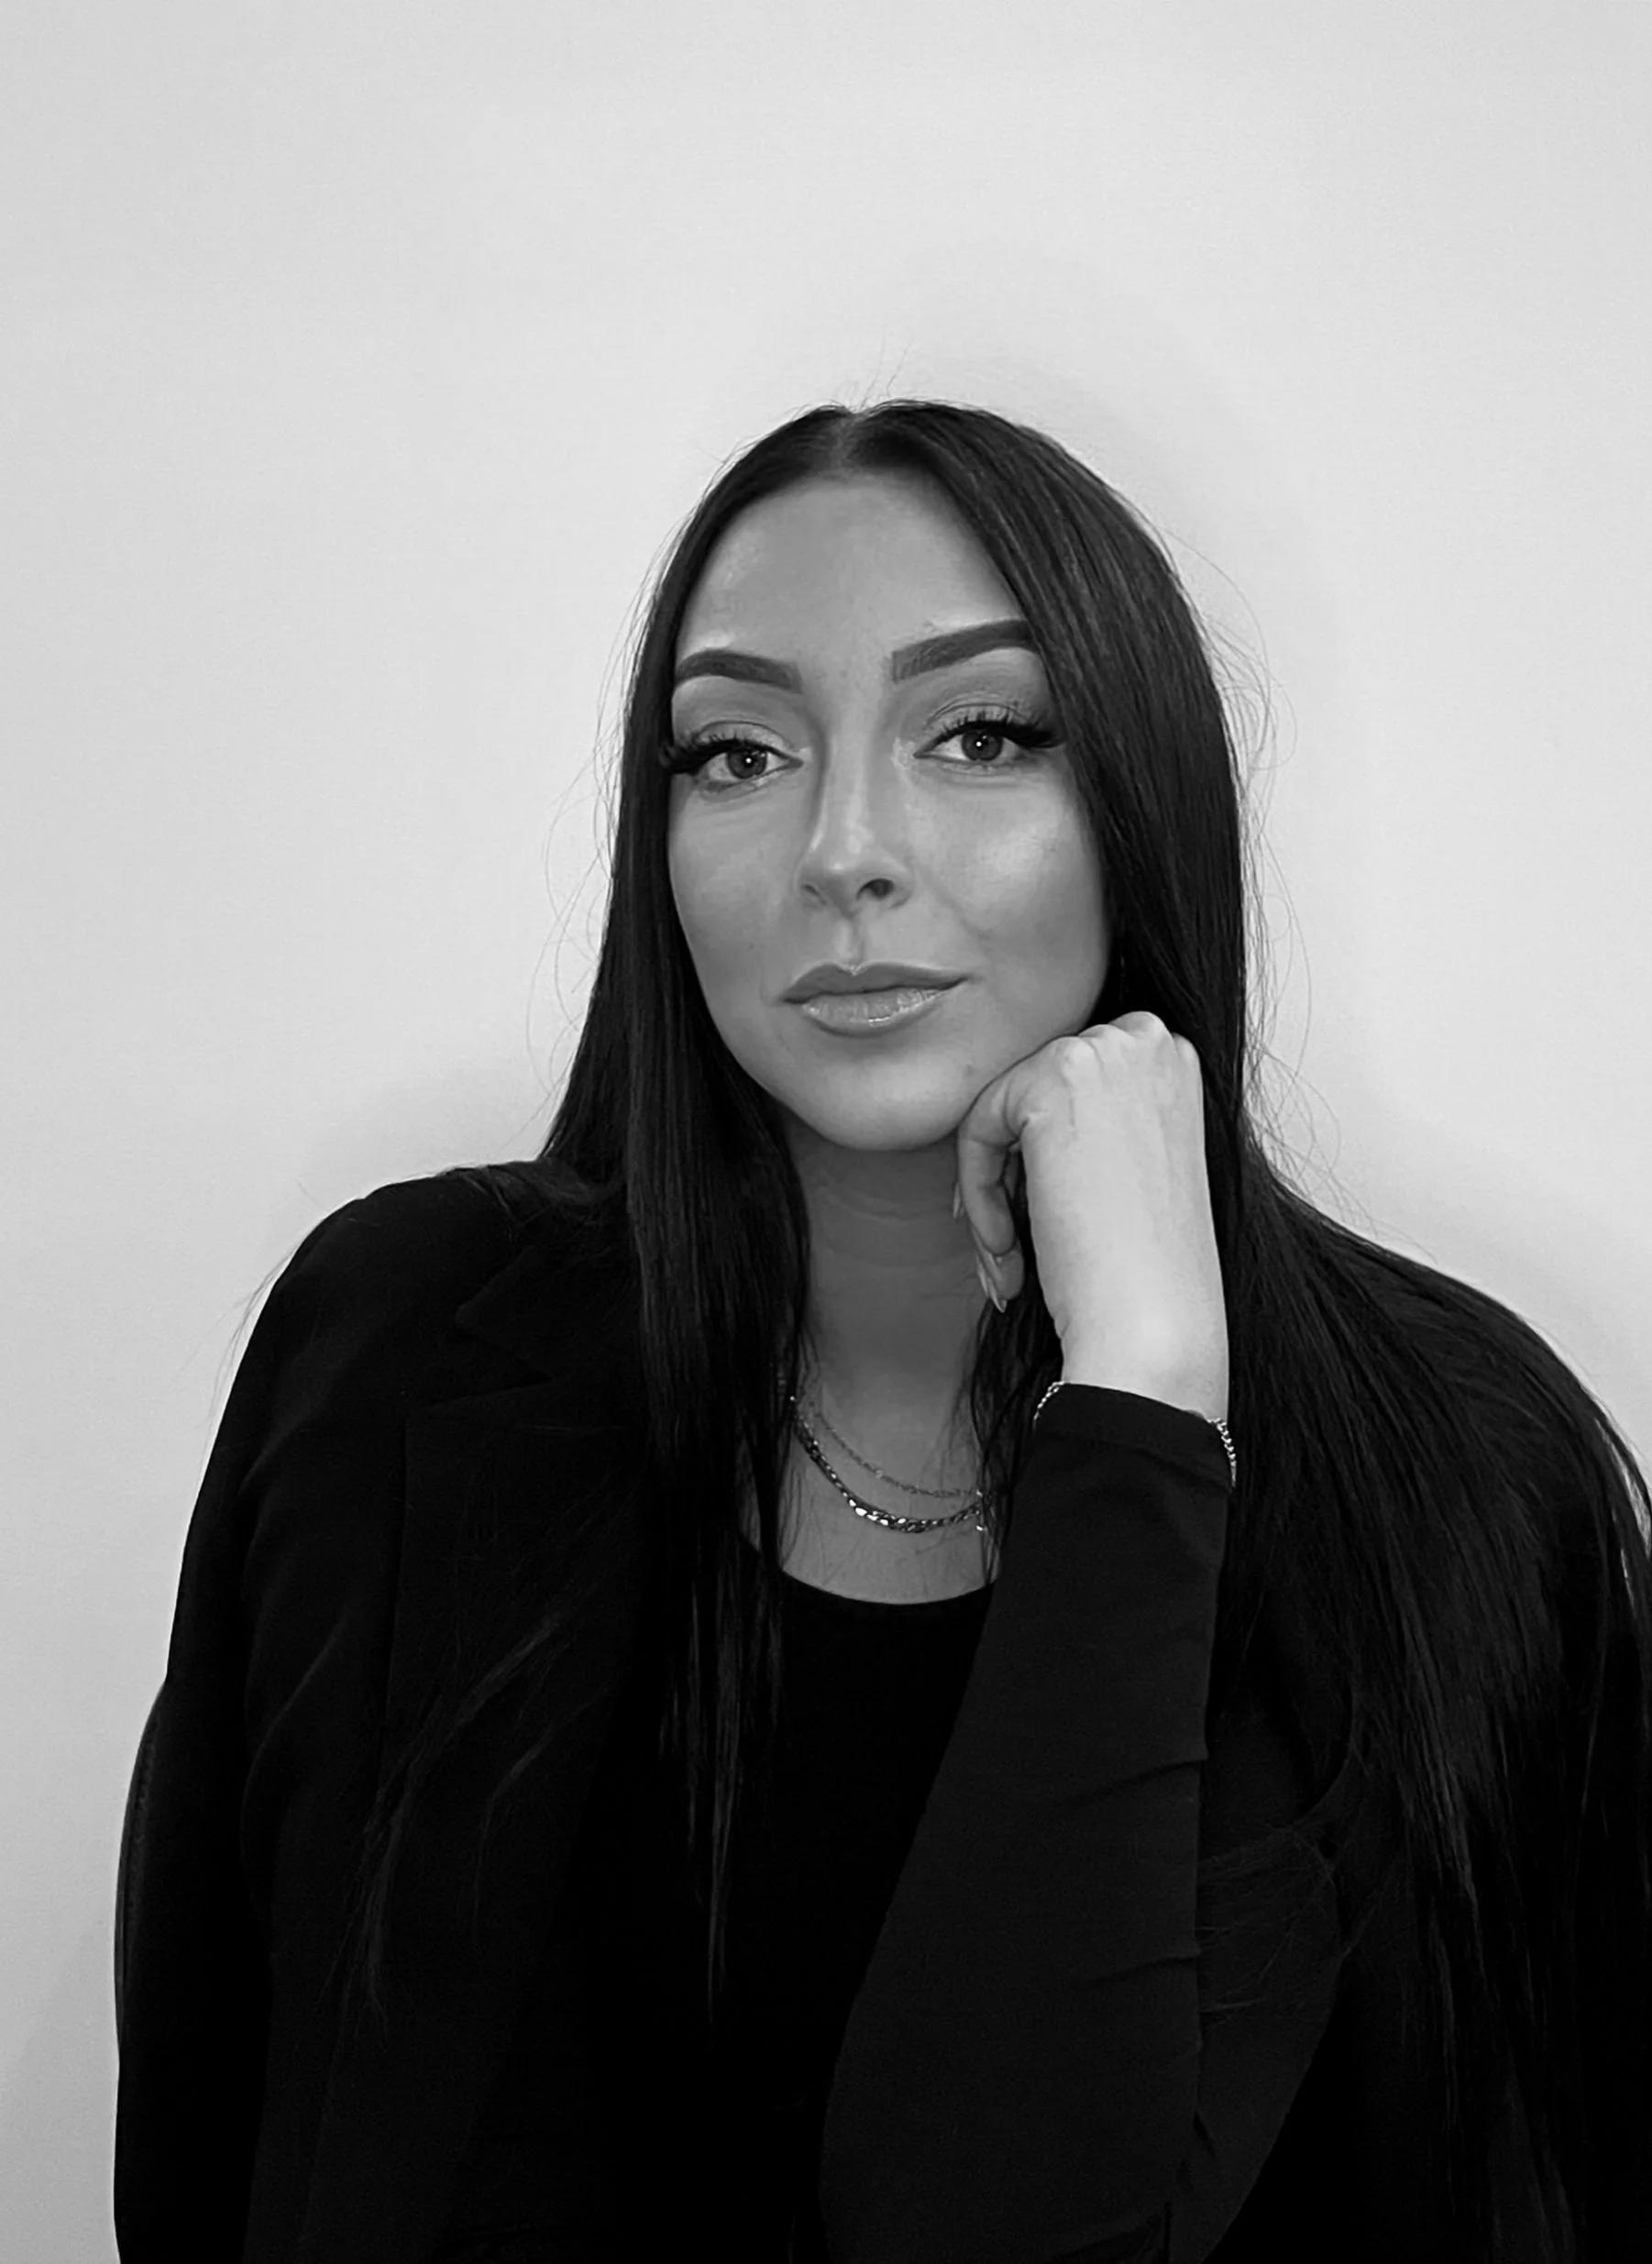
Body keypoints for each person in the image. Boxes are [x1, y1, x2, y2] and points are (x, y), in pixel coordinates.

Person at [112, 399, 1652, 2264]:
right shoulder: (393, 1352)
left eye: (982, 734)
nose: (843, 849)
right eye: (738, 751)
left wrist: (1146, 1397)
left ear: (1140, 799)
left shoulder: (1460, 1481)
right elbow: (204, 2138)